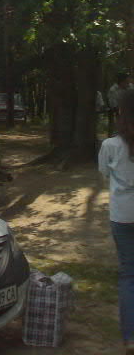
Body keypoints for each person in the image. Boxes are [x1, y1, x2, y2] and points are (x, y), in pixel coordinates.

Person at [99, 89, 134, 354]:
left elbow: (103, 173)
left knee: (128, 274)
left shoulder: (110, 145)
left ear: (121, 112)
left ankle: (130, 337)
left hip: (122, 214)